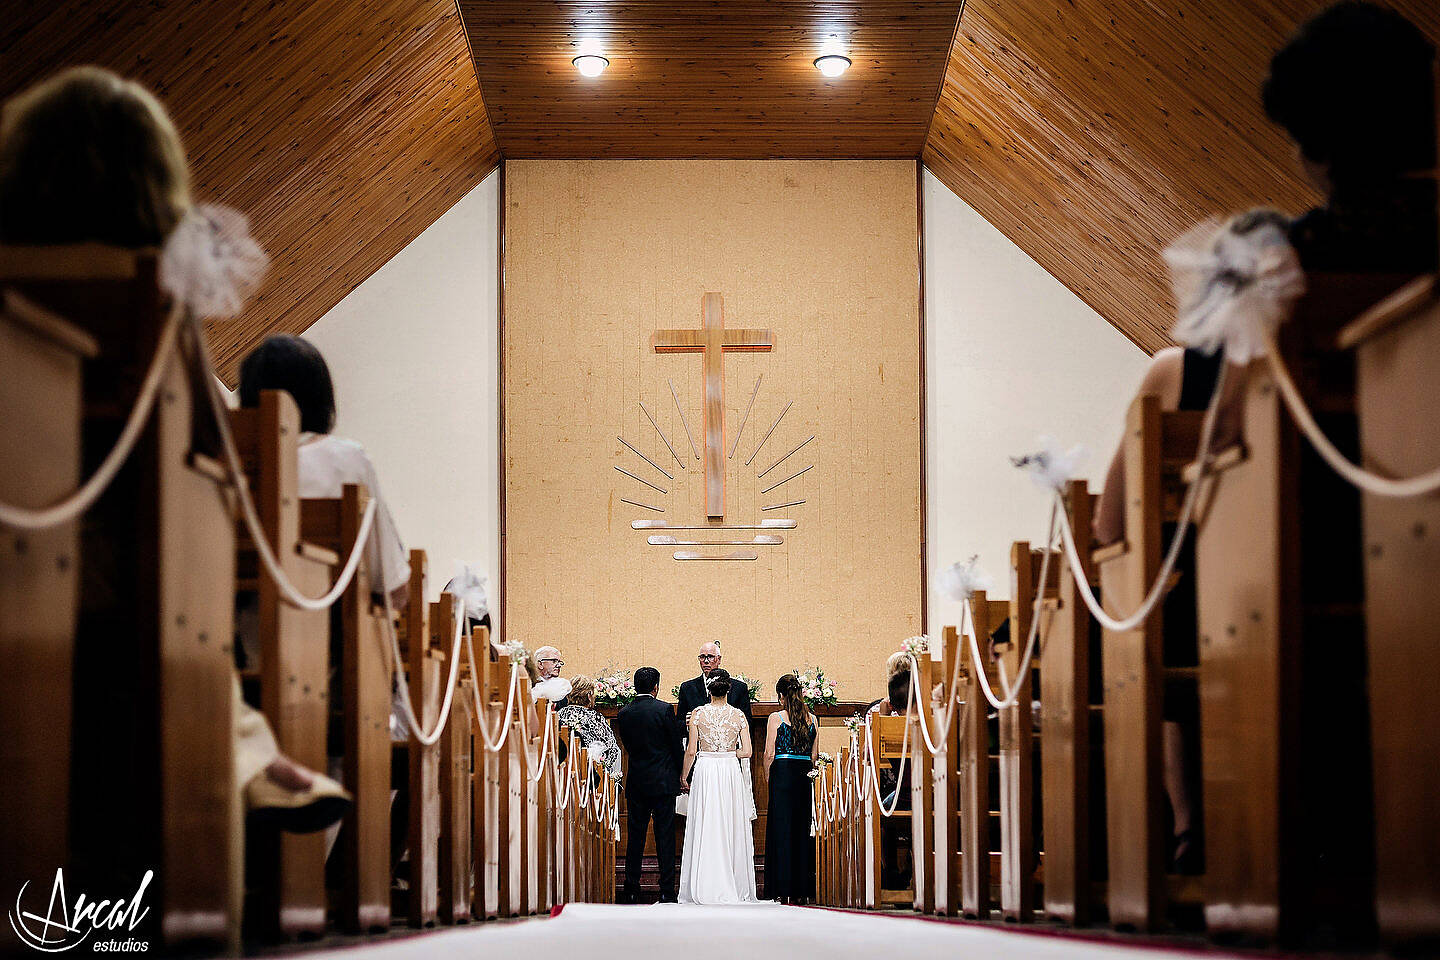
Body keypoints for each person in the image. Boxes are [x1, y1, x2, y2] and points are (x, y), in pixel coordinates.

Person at [1092, 2, 1436, 875]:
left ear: (1310, 146)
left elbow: (1233, 453)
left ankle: (1226, 831)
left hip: (1330, 559)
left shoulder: (1288, 275)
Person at [0, 66, 348, 834]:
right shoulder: (151, 302)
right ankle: (250, 757)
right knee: (169, 586)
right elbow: (213, 459)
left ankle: (253, 756)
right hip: (88, 578)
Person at [238, 334, 410, 612]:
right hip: (329, 633)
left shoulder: (226, 463)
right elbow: (391, 586)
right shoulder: (347, 460)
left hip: (232, 630)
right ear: (321, 398)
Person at [677, 670, 757, 904]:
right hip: (730, 770)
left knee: (707, 821)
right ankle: (734, 882)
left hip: (706, 769)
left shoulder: (698, 715)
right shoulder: (739, 715)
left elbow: (691, 750)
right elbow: (748, 752)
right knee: (730, 822)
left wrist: (684, 775)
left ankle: (704, 882)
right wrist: (728, 753)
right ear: (728, 690)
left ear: (708, 690)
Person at [614, 667, 685, 903]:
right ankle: (667, 890)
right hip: (663, 781)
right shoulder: (664, 709)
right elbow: (675, 746)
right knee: (665, 836)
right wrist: (682, 774)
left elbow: (628, 746)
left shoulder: (624, 713)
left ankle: (632, 888)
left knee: (636, 836)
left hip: (637, 780)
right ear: (656, 687)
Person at [763, 674, 817, 904]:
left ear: (781, 697)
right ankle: (801, 889)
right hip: (803, 774)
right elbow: (814, 756)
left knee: (781, 830)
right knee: (801, 830)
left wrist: (768, 777)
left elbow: (769, 753)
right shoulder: (813, 718)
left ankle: (781, 887)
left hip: (783, 773)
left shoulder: (776, 718)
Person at [556, 675, 623, 785]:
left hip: (563, 771)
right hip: (589, 776)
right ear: (588, 696)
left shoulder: (559, 714)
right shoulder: (594, 717)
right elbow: (612, 748)